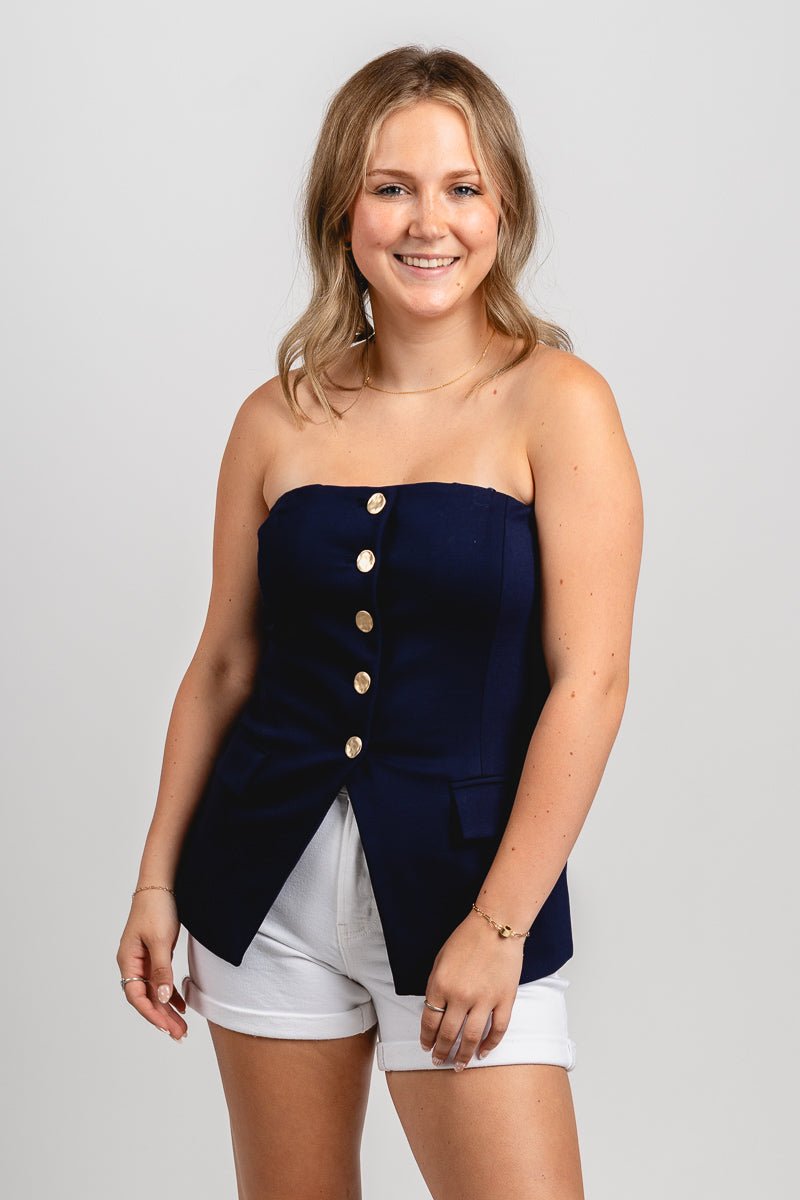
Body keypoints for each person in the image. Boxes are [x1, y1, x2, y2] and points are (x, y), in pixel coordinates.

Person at [117, 44, 642, 1200]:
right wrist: (157, 880)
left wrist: (498, 927)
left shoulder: (558, 403)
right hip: (261, 887)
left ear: (502, 209)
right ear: (341, 211)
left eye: (460, 187)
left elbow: (589, 681)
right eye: (390, 187)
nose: (426, 222)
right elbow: (225, 664)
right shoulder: (276, 417)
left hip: (467, 888)